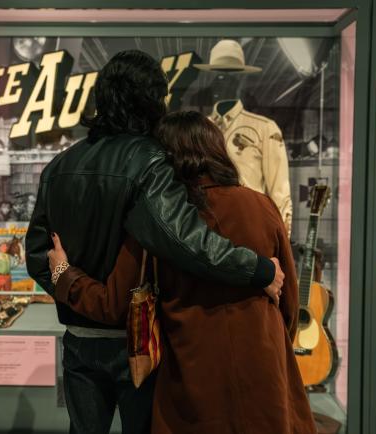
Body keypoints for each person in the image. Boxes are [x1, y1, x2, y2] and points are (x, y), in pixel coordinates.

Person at [25, 51, 284, 434]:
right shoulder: (149, 161)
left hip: (78, 339)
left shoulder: (59, 166)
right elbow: (188, 240)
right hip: (138, 340)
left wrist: (68, 279)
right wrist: (258, 267)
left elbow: (36, 255)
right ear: (151, 99)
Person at [47, 111, 315, 434]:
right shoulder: (262, 207)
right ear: (217, 150)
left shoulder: (158, 222)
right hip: (266, 381)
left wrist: (62, 273)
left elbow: (113, 303)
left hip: (193, 389)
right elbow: (289, 307)